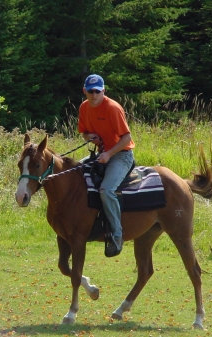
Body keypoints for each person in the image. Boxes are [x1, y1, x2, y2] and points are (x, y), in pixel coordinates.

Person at [78, 74, 135, 257]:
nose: (94, 95)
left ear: (104, 91)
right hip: (102, 153)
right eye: (91, 91)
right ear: (84, 91)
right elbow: (84, 133)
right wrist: (90, 137)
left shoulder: (112, 108)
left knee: (106, 190)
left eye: (98, 91)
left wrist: (109, 154)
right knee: (74, 176)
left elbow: (127, 137)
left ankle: (117, 236)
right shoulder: (84, 107)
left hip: (121, 155)